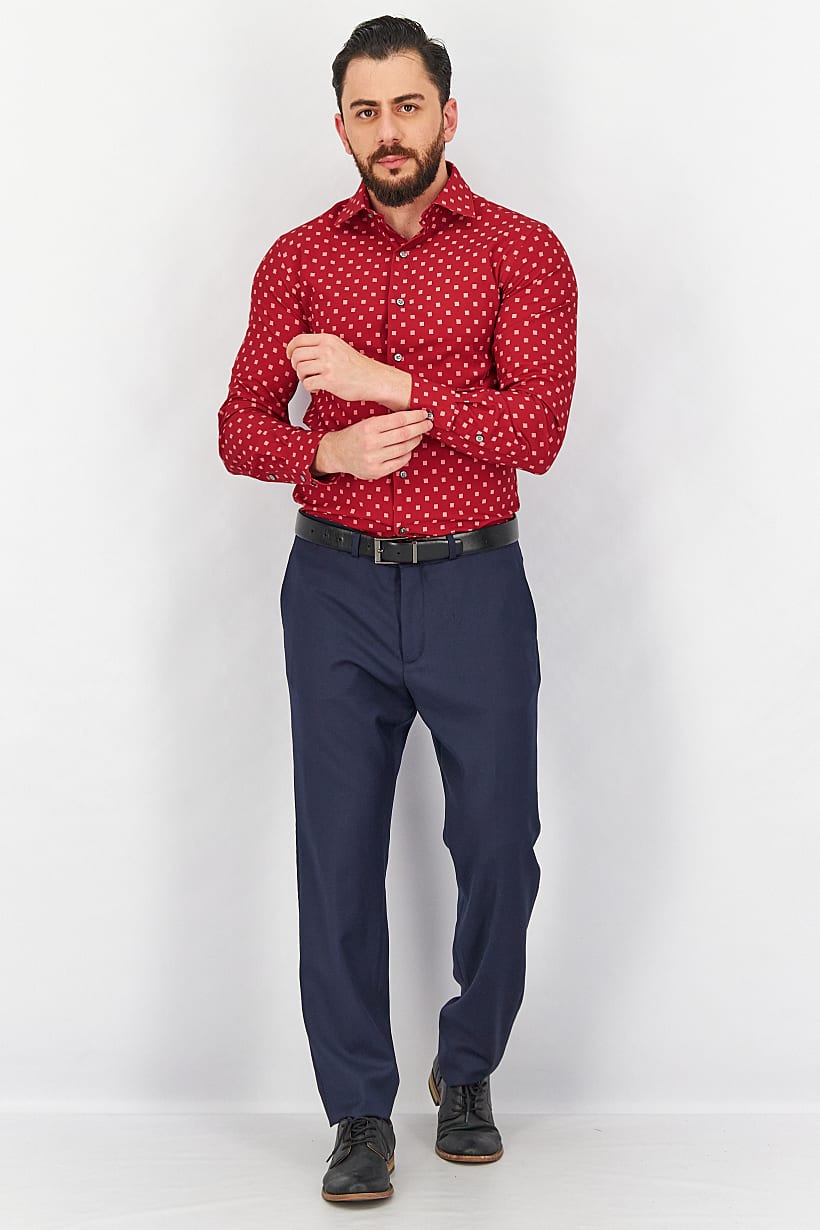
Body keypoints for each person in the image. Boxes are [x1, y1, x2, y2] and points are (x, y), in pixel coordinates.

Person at [217, 14, 578, 1204]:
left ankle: (466, 1068)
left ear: (447, 115)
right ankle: (359, 1111)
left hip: (474, 584)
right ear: (341, 127)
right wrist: (323, 455)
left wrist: (389, 383)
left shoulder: (522, 250)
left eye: (407, 106)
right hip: (333, 591)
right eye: (365, 111)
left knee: (499, 844)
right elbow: (239, 427)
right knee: (337, 854)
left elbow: (537, 430)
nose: (388, 131)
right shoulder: (296, 259)